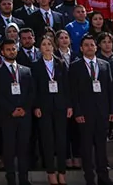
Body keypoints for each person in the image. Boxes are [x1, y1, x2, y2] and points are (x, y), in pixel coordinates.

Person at [70, 35, 113, 185]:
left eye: (92, 45)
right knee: (86, 147)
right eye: (86, 45)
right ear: (81, 48)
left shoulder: (104, 65)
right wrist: (78, 112)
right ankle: (90, 178)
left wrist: (112, 110)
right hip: (84, 113)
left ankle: (104, 177)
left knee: (102, 147)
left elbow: (110, 89)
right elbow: (73, 92)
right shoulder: (75, 66)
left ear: (96, 47)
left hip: (102, 113)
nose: (90, 47)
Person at [0, 38, 34, 185]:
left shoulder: (26, 70)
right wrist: (11, 109)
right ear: (2, 52)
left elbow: (31, 92)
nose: (11, 51)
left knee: (23, 148)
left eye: (13, 49)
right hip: (7, 115)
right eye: (8, 49)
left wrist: (24, 108)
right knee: (9, 149)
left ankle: (24, 179)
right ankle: (11, 179)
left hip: (24, 115)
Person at [32, 35, 70, 185]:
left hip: (60, 106)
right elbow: (34, 88)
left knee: (61, 140)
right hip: (44, 107)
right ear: (40, 48)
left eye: (49, 44)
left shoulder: (60, 63)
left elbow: (67, 86)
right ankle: (51, 172)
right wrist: (36, 106)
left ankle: (61, 172)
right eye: (44, 44)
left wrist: (69, 105)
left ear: (53, 46)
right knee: (47, 140)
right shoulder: (35, 65)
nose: (47, 47)